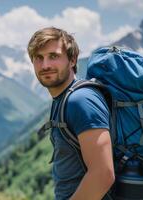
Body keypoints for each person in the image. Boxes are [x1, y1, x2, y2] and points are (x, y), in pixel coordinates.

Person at [27, 27, 115, 200]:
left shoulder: (81, 101)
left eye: (53, 56)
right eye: (39, 58)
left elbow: (103, 174)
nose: (45, 65)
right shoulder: (63, 98)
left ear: (73, 60)